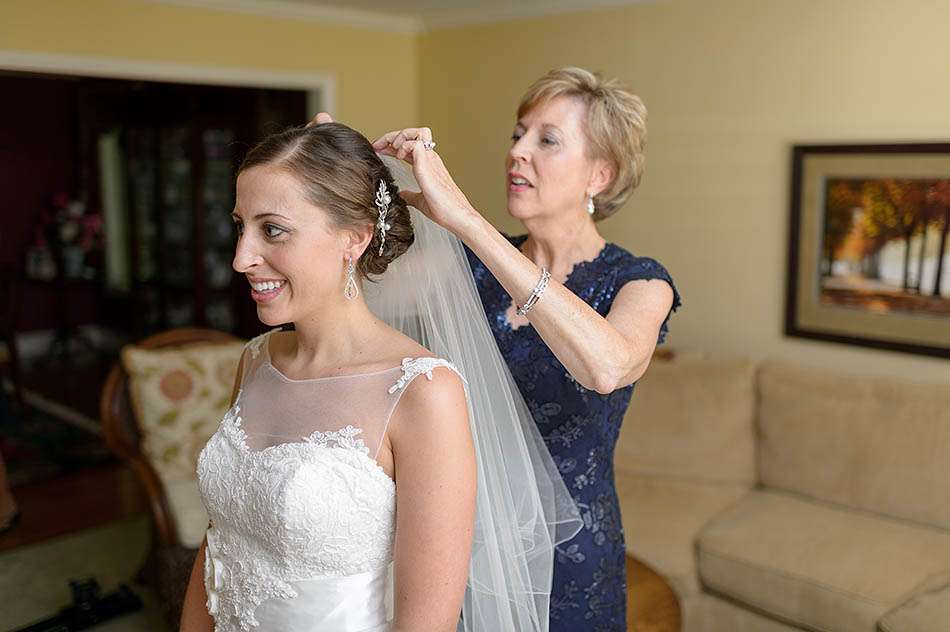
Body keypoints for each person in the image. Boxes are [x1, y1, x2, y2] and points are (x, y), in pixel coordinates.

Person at [180, 122, 579, 632]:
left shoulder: (422, 392)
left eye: (272, 229)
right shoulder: (257, 359)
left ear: (355, 238)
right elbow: (219, 547)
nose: (241, 258)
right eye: (241, 226)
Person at [326, 66, 683, 631]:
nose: (518, 152)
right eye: (518, 134)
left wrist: (466, 221)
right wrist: (340, 170)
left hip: (573, 560)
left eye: (547, 140)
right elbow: (355, 288)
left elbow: (609, 367)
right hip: (466, 539)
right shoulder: (471, 270)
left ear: (600, 174)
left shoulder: (639, 281)